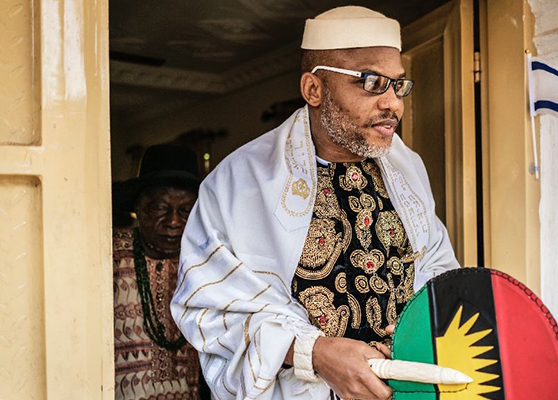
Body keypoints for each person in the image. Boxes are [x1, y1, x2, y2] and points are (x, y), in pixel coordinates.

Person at [171, 6, 460, 400]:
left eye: (398, 85)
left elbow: (437, 268)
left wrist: (417, 329)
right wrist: (314, 353)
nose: (393, 103)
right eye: (373, 83)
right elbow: (207, 306)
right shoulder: (239, 182)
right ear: (314, 89)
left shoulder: (406, 169)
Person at [113, 145, 209, 400]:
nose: (173, 221)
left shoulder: (208, 260)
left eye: (185, 211)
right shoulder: (108, 253)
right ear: (138, 206)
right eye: (160, 208)